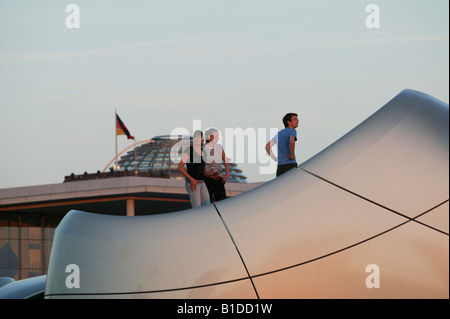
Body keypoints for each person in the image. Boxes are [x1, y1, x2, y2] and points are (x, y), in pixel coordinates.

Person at [177, 130, 210, 208]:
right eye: (196, 137)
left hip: (202, 182)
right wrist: (191, 180)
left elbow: (201, 169)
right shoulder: (189, 150)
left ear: (202, 139)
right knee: (197, 209)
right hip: (192, 183)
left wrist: (208, 173)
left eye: (200, 137)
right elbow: (180, 167)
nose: (198, 139)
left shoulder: (204, 152)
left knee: (208, 207)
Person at [265, 113, 299, 177]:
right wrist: (292, 155)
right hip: (290, 165)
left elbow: (267, 146)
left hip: (280, 167)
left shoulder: (279, 133)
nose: (298, 121)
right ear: (289, 122)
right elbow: (291, 142)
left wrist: (274, 158)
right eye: (295, 119)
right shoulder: (292, 131)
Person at [203, 128, 230, 203]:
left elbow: (226, 162)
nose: (218, 138)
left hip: (219, 179)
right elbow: (200, 166)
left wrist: (226, 176)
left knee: (222, 203)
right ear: (210, 137)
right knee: (208, 204)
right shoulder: (202, 148)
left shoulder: (219, 147)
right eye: (216, 136)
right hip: (207, 180)